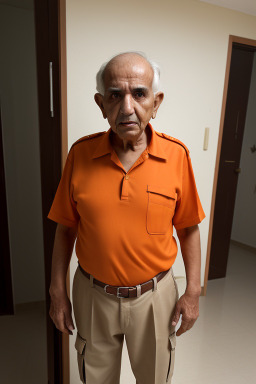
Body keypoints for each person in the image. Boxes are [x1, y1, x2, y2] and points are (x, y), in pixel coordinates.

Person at [48, 51, 206, 384]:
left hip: (155, 298)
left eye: (139, 93)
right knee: (96, 378)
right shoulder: (80, 155)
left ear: (156, 101)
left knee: (153, 378)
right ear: (101, 103)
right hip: (92, 295)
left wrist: (193, 292)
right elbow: (65, 229)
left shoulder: (177, 157)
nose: (127, 107)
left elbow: (189, 229)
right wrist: (57, 292)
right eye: (115, 95)